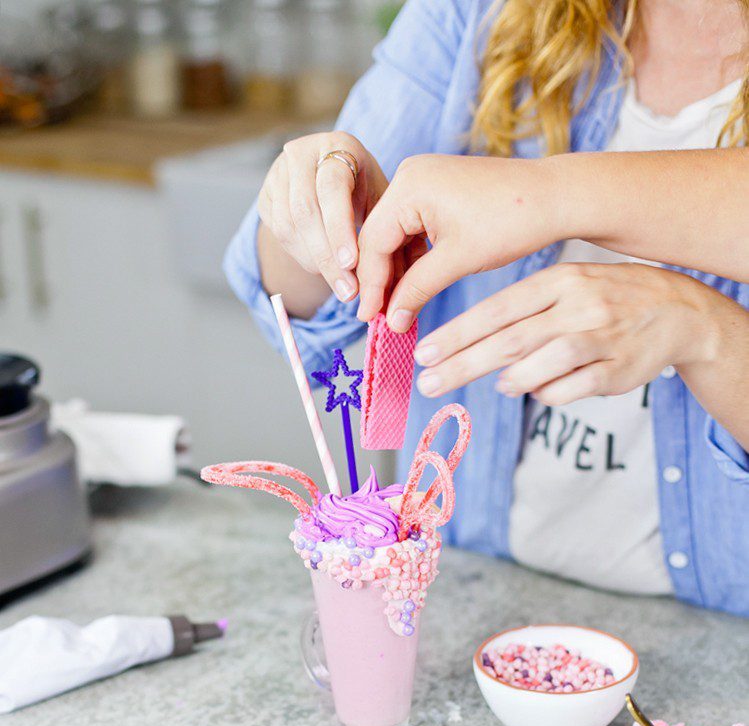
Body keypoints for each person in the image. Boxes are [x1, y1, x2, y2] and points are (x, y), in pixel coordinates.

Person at [225, 0, 749, 616]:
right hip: (477, 603)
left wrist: (708, 332)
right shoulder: (476, 12)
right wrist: (315, 204)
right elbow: (298, 304)